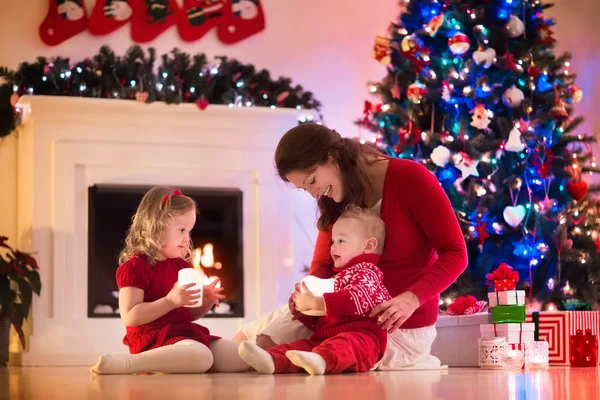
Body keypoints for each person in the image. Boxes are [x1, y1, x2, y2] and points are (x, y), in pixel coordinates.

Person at [233, 123, 468, 370]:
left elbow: (456, 253)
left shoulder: (410, 178)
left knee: (331, 350)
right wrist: (307, 294)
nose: (314, 195)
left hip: (392, 324)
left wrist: (410, 300)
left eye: (312, 181)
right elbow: (323, 266)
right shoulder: (334, 199)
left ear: (331, 156)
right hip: (339, 316)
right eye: (306, 189)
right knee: (254, 344)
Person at [91, 187, 247, 374]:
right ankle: (130, 363)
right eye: (181, 229)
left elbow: (187, 315)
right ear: (155, 226)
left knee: (238, 355)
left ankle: (273, 358)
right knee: (201, 356)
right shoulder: (135, 267)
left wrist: (205, 302)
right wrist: (170, 301)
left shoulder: (180, 266)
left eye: (189, 231)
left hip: (183, 335)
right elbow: (130, 316)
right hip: (152, 339)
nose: (186, 238)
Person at [239, 206, 391, 375]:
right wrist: (301, 309)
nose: (333, 247)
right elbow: (320, 318)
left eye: (341, 241)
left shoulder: (369, 273)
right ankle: (273, 359)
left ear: (368, 245)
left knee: (345, 345)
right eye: (332, 241)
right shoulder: (336, 279)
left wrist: (317, 302)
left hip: (364, 338)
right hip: (326, 337)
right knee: (301, 348)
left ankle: (321, 360)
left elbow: (355, 299)